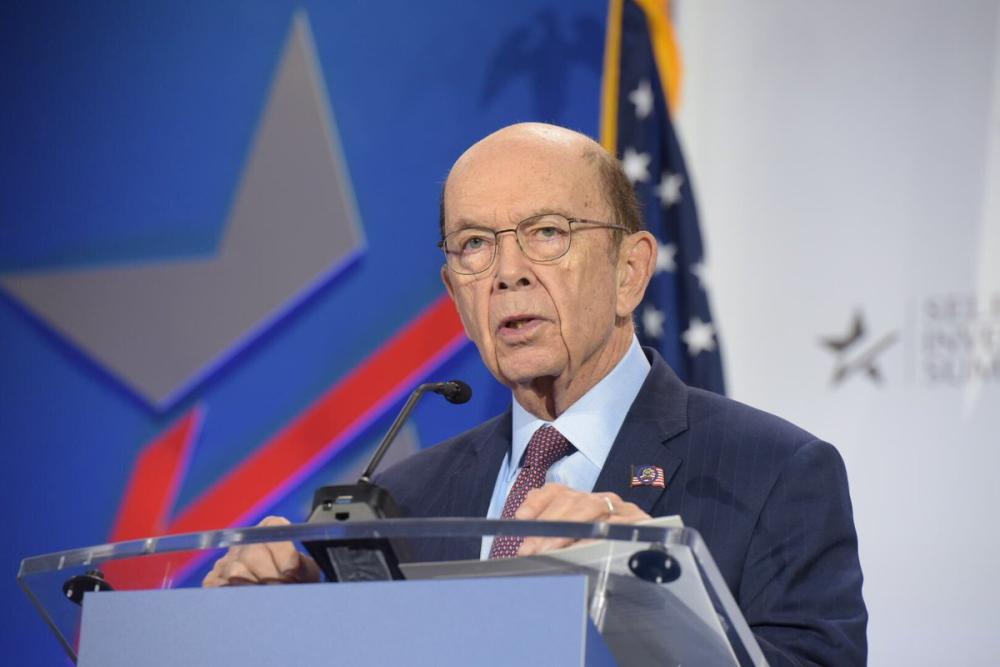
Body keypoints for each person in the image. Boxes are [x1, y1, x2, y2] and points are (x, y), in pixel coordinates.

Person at [204, 122, 867, 665]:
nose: (508, 273)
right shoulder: (408, 501)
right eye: (474, 245)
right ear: (455, 293)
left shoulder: (775, 472)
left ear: (630, 272)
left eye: (546, 233)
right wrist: (264, 633)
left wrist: (652, 591)